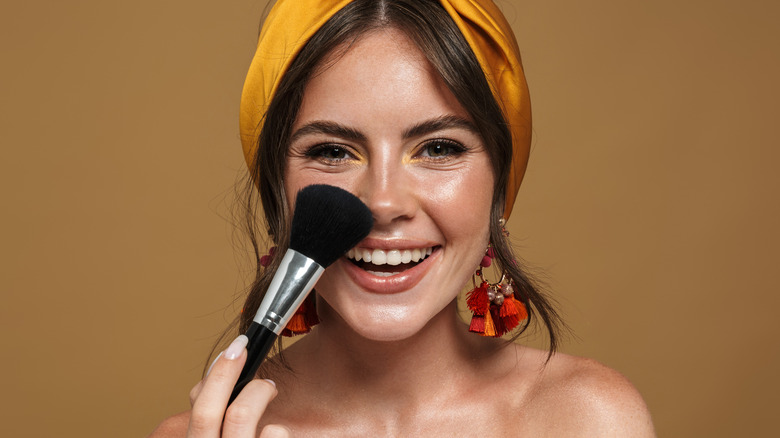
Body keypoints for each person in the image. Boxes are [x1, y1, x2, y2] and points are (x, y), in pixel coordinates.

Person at [151, 0, 655, 436]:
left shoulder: (587, 419)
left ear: (501, 184)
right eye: (332, 151)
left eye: (438, 147)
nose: (384, 203)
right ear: (277, 189)